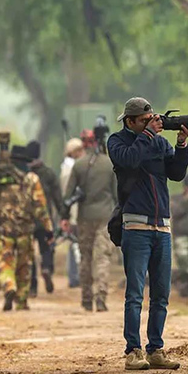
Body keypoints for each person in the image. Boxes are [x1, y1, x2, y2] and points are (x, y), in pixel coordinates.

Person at [107, 97, 188, 371]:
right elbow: (130, 161)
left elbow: (176, 174)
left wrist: (181, 145)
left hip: (162, 226)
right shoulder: (117, 142)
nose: (150, 124)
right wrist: (147, 134)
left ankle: (155, 349)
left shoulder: (157, 141)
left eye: (151, 120)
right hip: (135, 226)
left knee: (161, 294)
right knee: (134, 293)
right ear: (130, 122)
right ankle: (133, 350)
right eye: (143, 121)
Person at [0, 137, 53, 312]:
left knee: (5, 263)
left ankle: (8, 285)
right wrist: (48, 228)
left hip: (4, 230)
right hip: (25, 231)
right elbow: (40, 207)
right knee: (24, 266)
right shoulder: (31, 179)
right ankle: (21, 301)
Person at [62, 126, 118, 312]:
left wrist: (64, 218)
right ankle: (101, 296)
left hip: (84, 218)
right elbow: (116, 194)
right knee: (102, 258)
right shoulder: (109, 164)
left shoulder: (78, 166)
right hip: (105, 217)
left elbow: (68, 196)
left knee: (85, 258)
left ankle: (86, 298)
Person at [27, 140, 64, 296]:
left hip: (27, 220)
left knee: (28, 253)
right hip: (45, 218)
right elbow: (57, 198)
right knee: (47, 247)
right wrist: (64, 216)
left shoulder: (24, 174)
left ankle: (33, 287)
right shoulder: (48, 173)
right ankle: (47, 268)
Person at [60, 138, 85, 288]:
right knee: (77, 244)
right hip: (76, 211)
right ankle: (76, 276)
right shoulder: (72, 169)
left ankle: (74, 275)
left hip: (71, 211)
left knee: (74, 243)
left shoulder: (65, 168)